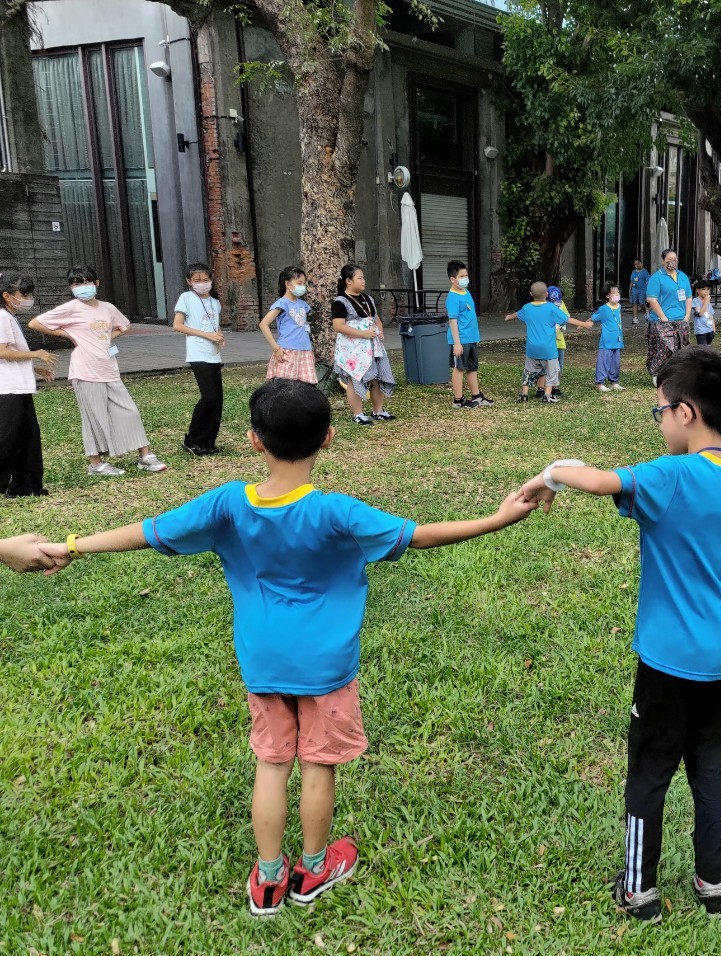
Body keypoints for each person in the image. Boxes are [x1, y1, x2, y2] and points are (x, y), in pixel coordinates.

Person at [30, 378, 538, 916]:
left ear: (254, 440)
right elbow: (422, 535)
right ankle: (314, 870)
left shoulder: (229, 503)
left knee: (272, 765)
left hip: (263, 662)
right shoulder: (337, 512)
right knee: (318, 765)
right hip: (327, 667)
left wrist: (71, 545)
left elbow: (148, 531)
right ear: (329, 437)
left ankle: (269, 879)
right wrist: (497, 519)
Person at [518, 347, 721, 923]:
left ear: (686, 412)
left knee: (648, 773)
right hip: (720, 662)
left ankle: (639, 890)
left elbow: (599, 480)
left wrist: (550, 474)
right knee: (712, 771)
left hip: (666, 665)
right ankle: (716, 885)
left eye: (659, 412)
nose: (659, 423)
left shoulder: (673, 476)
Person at [28, 266, 167, 476]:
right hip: (85, 370)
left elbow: (125, 326)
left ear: (96, 283)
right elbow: (35, 323)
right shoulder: (71, 308)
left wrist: (108, 337)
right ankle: (96, 464)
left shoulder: (108, 308)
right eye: (77, 284)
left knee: (130, 411)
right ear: (71, 288)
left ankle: (145, 456)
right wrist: (67, 334)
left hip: (109, 368)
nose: (83, 287)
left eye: (87, 282)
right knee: (93, 417)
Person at [0, 272, 54, 496]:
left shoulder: (9, 317)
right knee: (7, 438)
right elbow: (2, 352)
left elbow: (12, 354)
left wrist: (35, 369)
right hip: (8, 388)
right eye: (24, 294)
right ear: (7, 295)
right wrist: (36, 354)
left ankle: (25, 487)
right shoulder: (2, 318)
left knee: (27, 438)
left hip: (18, 386)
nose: (28, 299)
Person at [331, 265, 396, 426]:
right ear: (348, 281)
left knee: (377, 378)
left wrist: (380, 330)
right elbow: (338, 326)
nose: (363, 281)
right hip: (353, 350)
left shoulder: (368, 299)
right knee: (355, 380)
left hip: (373, 346)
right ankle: (358, 414)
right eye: (359, 278)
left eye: (363, 278)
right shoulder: (340, 302)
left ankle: (378, 411)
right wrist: (362, 334)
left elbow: (375, 318)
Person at [172, 262, 225, 456]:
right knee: (209, 397)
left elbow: (214, 325)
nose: (202, 283)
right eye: (197, 280)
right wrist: (207, 335)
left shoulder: (215, 302)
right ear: (189, 281)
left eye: (205, 279)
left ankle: (208, 442)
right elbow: (178, 325)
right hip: (197, 353)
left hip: (213, 354)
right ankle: (192, 440)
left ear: (211, 279)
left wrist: (219, 335)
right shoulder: (186, 298)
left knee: (217, 399)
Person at [444, 260, 492, 409]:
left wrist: (475, 337)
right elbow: (453, 321)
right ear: (453, 279)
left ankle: (476, 396)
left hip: (471, 338)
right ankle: (458, 400)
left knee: (472, 367)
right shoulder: (452, 297)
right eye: (461, 276)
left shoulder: (466, 292)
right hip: (461, 339)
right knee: (459, 368)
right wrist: (457, 343)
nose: (465, 278)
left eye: (466, 275)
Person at [506, 282, 563, 403]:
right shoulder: (551, 308)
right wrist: (584, 324)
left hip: (531, 349)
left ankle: (524, 395)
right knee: (551, 371)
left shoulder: (527, 307)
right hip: (548, 349)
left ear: (531, 294)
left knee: (528, 371)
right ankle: (547, 396)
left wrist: (508, 317)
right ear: (547, 294)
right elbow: (566, 319)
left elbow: (516, 315)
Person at [259, 266, 317, 383]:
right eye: (299, 283)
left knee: (303, 387)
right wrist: (276, 348)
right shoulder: (282, 303)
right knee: (285, 386)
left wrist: (309, 350)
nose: (302, 286)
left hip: (305, 351)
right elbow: (263, 324)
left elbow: (304, 328)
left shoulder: (303, 304)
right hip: (287, 351)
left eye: (304, 283)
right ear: (288, 284)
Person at [646, 249, 693, 384]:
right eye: (669, 259)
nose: (672, 262)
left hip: (680, 319)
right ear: (663, 261)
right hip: (662, 320)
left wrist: (687, 315)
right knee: (664, 348)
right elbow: (651, 299)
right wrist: (663, 317)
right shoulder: (657, 277)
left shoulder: (682, 276)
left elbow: (688, 297)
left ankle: (676, 374)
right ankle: (657, 373)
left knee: (681, 348)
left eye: (674, 259)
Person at [568, 283, 625, 392]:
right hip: (606, 341)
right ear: (607, 296)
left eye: (618, 292)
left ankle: (614, 382)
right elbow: (593, 318)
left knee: (615, 363)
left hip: (617, 339)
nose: (617, 295)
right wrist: (583, 325)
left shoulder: (619, 306)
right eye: (614, 293)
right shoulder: (604, 309)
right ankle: (600, 383)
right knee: (603, 361)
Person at [548, 285, 569, 400]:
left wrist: (561, 324)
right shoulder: (544, 307)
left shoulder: (561, 303)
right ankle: (543, 388)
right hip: (548, 343)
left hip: (559, 342)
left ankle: (555, 387)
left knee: (559, 367)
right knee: (546, 367)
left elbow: (566, 317)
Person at [691, 280, 717, 345]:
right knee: (703, 348)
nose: (706, 291)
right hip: (700, 331)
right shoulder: (695, 301)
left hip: (709, 330)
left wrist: (713, 329)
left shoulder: (708, 303)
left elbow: (711, 316)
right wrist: (705, 302)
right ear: (698, 290)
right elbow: (700, 314)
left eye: (708, 289)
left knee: (708, 347)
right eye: (703, 289)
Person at [628, 259, 651, 325]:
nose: (637, 265)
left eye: (638, 263)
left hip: (642, 290)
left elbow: (648, 282)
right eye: (635, 264)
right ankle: (635, 318)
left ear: (641, 263)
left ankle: (645, 311)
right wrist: (630, 289)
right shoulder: (633, 272)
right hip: (634, 290)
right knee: (634, 303)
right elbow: (632, 281)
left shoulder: (645, 272)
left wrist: (648, 291)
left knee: (641, 303)